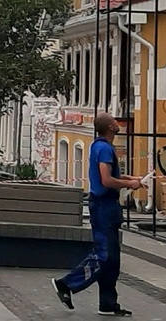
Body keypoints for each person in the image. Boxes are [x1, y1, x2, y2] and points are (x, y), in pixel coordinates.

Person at [52, 113, 145, 317]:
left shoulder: (98, 146)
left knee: (112, 259)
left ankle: (108, 304)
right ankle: (66, 284)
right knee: (104, 256)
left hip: (105, 205)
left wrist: (132, 178)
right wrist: (130, 184)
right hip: (103, 206)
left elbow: (112, 176)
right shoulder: (104, 148)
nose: (117, 122)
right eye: (114, 121)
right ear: (110, 127)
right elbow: (106, 180)